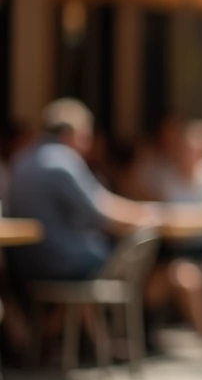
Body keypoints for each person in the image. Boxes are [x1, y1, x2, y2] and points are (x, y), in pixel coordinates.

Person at [6, 99, 161, 284]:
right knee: (139, 255)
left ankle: (81, 313)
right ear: (71, 134)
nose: (88, 146)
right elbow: (103, 213)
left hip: (25, 264)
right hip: (61, 263)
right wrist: (150, 214)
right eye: (86, 136)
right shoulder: (61, 160)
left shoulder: (23, 158)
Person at [145, 120, 202, 356]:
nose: (188, 155)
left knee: (185, 276)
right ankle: (148, 336)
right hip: (168, 250)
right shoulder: (167, 176)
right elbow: (157, 212)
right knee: (152, 284)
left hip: (201, 251)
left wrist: (180, 218)